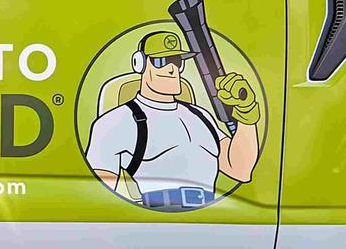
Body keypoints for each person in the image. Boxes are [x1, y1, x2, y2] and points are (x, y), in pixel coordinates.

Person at [82, 22, 262, 211]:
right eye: (161, 62)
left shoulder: (201, 116)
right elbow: (97, 193)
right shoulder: (116, 121)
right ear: (140, 64)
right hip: (154, 218)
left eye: (177, 61)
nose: (171, 69)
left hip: (208, 216)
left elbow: (240, 169)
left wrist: (246, 114)